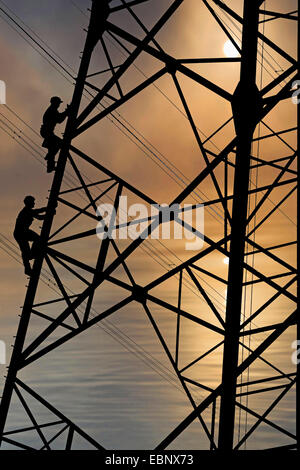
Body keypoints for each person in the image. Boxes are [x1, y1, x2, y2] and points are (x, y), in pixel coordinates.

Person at [13, 196, 47, 276]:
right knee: (27, 251)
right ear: (29, 203)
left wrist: (48, 213)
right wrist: (48, 210)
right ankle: (29, 265)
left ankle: (32, 255)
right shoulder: (26, 211)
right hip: (20, 233)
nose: (34, 203)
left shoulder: (28, 211)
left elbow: (38, 216)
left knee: (35, 242)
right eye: (33, 202)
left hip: (23, 232)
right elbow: (38, 213)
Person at [40, 96, 70, 173]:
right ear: (55, 103)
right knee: (59, 143)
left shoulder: (52, 110)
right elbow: (59, 119)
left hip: (47, 132)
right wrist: (66, 112)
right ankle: (49, 157)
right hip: (47, 132)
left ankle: (50, 166)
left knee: (52, 147)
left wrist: (66, 113)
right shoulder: (52, 110)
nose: (58, 105)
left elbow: (59, 118)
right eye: (58, 103)